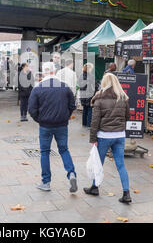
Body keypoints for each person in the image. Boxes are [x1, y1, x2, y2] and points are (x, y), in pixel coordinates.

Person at [28, 62, 78, 193]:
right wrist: (66, 117)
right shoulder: (65, 87)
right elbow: (73, 106)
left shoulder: (38, 88)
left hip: (45, 125)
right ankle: (71, 173)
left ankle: (46, 182)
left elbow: (31, 109)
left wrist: (40, 119)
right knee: (64, 150)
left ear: (44, 72)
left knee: (45, 152)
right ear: (54, 72)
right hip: (62, 125)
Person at [83, 73, 132, 203]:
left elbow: (95, 122)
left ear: (104, 83)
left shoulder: (99, 99)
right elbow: (128, 116)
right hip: (120, 136)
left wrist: (93, 139)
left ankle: (95, 187)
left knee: (98, 163)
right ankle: (126, 193)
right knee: (121, 165)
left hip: (104, 135)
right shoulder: (123, 98)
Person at [79, 63, 95, 128]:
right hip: (89, 95)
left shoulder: (81, 76)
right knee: (90, 110)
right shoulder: (91, 76)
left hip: (83, 94)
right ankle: (89, 124)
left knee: (85, 109)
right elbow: (93, 86)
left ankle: (84, 123)